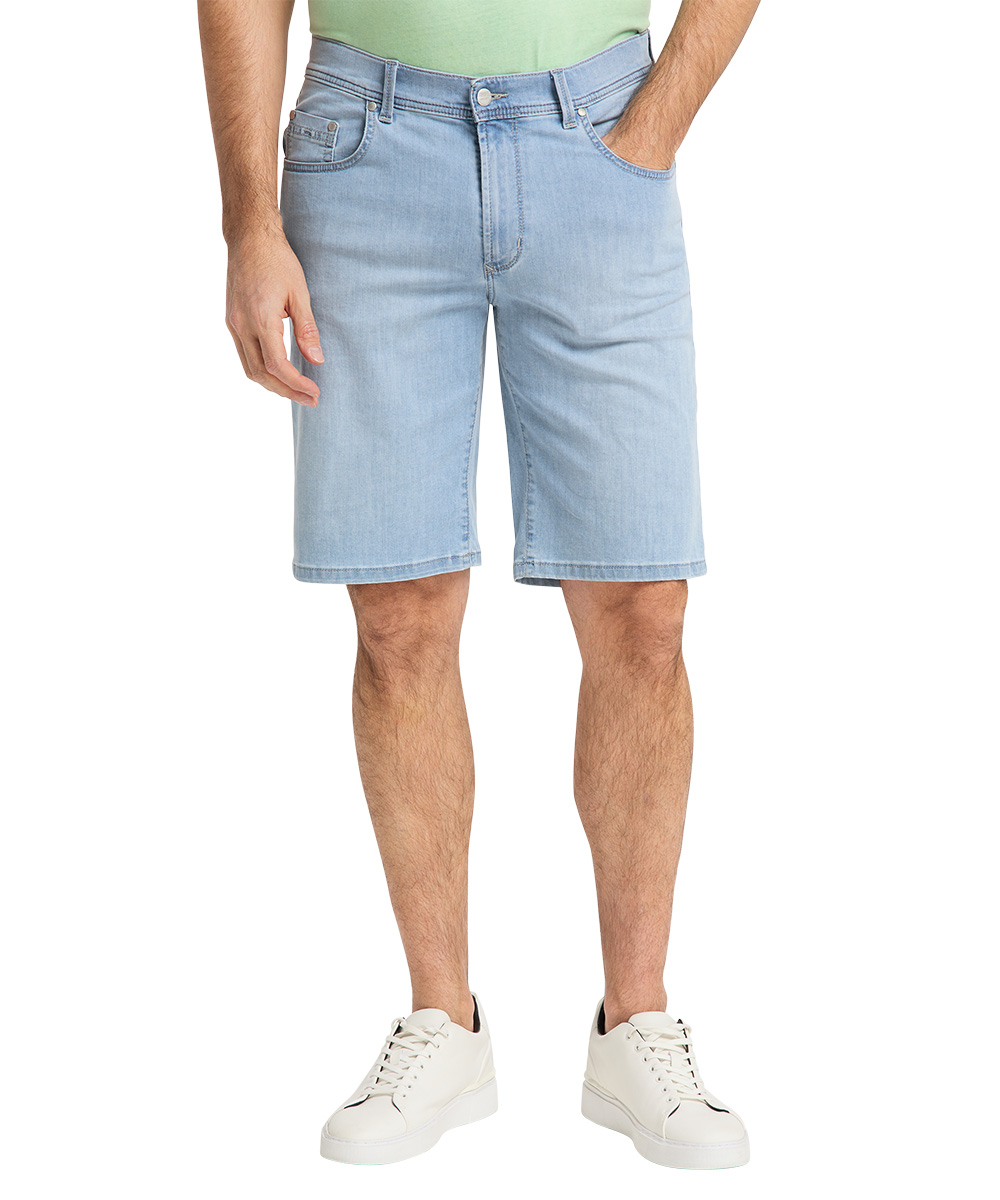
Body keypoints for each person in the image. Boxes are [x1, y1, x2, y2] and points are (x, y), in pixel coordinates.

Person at [198, 0, 760, 1170]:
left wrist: (654, 125)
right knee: (397, 614)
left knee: (642, 607)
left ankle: (636, 1023)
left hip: (598, 136)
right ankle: (441, 1023)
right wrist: (249, 221)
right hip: (365, 150)